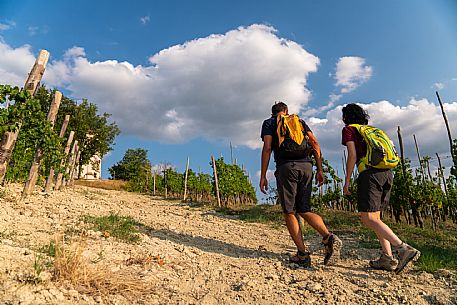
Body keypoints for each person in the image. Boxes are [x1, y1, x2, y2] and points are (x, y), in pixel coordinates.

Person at [260, 101, 342, 267]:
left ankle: (303, 254)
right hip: (307, 166)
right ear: (286, 111)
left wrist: (263, 175)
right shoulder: (299, 121)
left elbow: (267, 148)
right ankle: (328, 237)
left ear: (273, 113)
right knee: (304, 209)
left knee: (289, 211)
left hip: (287, 167)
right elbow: (315, 143)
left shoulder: (269, 123)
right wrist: (319, 169)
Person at [341, 103, 420, 273]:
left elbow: (352, 155)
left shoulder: (349, 130)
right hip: (387, 174)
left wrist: (347, 180)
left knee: (367, 218)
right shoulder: (371, 131)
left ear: (346, 117)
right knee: (376, 218)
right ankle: (387, 258)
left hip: (370, 175)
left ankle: (403, 248)